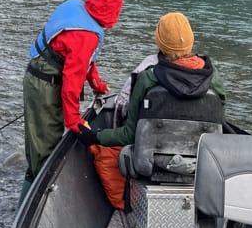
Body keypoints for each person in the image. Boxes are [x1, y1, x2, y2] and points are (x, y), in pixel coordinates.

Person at [20, 0, 123, 202]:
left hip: (38, 78)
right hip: (44, 86)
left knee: (39, 145)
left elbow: (84, 60)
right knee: (44, 152)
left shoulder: (76, 8)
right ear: (110, 12)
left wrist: (97, 84)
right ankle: (36, 202)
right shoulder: (86, 35)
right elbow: (72, 81)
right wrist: (74, 121)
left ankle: (32, 191)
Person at [77, 11, 225, 148]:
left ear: (159, 41)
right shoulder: (212, 77)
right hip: (200, 163)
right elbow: (218, 121)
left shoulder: (147, 78)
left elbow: (130, 135)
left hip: (150, 162)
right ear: (190, 40)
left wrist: (96, 136)